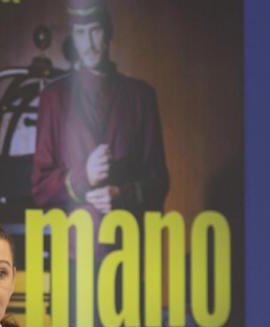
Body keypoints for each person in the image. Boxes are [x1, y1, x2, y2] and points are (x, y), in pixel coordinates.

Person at [31, 0, 168, 217]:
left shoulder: (142, 96)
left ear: (109, 32)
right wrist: (84, 176)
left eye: (95, 31)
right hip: (73, 245)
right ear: (73, 37)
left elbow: (159, 182)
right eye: (80, 33)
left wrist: (122, 195)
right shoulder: (54, 97)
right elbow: (40, 189)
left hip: (130, 241)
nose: (88, 44)